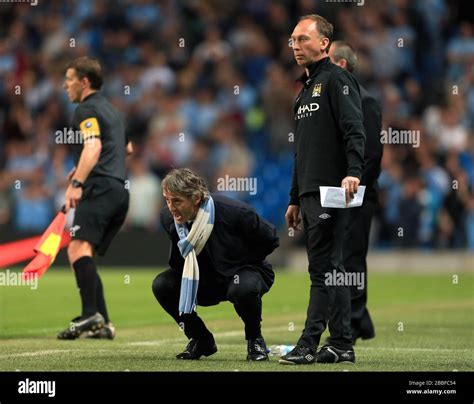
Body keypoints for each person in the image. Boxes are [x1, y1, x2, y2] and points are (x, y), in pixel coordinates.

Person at [281, 15, 366, 365]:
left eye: (303, 39)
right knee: (331, 269)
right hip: (310, 193)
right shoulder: (303, 91)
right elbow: (301, 151)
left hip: (333, 189)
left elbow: (354, 129)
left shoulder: (338, 79)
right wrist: (293, 198)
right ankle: (342, 343)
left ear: (324, 44)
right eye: (293, 40)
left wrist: (354, 172)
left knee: (323, 268)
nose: (296, 45)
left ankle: (309, 342)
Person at [152, 168, 279, 361]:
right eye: (167, 200)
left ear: (196, 198)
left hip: (243, 271)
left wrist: (241, 262)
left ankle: (255, 339)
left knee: (243, 288)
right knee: (162, 285)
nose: (171, 207)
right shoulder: (167, 218)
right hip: (204, 278)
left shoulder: (236, 212)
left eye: (177, 200)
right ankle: (200, 338)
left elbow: (270, 238)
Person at [57, 56, 132, 340]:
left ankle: (90, 314)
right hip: (120, 190)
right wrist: (85, 165)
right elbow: (127, 148)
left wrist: (77, 181)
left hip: (98, 189)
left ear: (84, 82)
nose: (65, 85)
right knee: (84, 251)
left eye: (69, 79)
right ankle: (104, 323)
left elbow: (94, 145)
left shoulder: (85, 109)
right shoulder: (114, 112)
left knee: (76, 249)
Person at [329, 41, 383, 343]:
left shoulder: (365, 102)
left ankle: (352, 321)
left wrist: (354, 188)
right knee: (341, 257)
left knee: (349, 256)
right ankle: (358, 320)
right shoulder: (335, 101)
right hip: (336, 193)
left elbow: (372, 153)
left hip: (355, 195)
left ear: (341, 65)